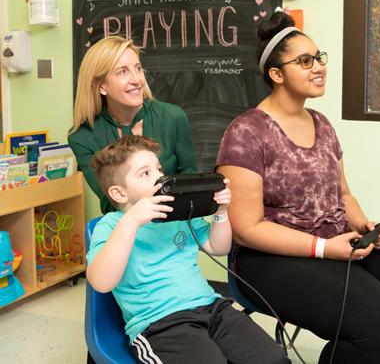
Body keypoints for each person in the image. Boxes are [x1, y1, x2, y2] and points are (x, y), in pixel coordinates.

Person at [216, 11, 380, 364]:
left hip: (334, 241)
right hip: (267, 259)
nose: (319, 66)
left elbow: (344, 195)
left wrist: (364, 226)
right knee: (378, 319)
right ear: (276, 75)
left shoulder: (321, 124)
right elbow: (247, 230)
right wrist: (323, 248)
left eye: (319, 57)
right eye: (305, 61)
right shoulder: (246, 132)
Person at [87, 135, 290, 364]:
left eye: (158, 169)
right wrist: (131, 221)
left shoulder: (179, 214)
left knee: (274, 359)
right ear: (119, 193)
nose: (159, 177)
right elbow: (102, 282)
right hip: (161, 324)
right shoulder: (112, 226)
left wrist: (220, 211)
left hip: (213, 308)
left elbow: (218, 247)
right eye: (145, 173)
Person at [69, 36, 197, 214]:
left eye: (138, 68)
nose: (137, 79)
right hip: (123, 229)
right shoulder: (82, 137)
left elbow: (191, 186)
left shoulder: (173, 117)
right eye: (122, 72)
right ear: (100, 86)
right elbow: (110, 202)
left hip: (174, 226)